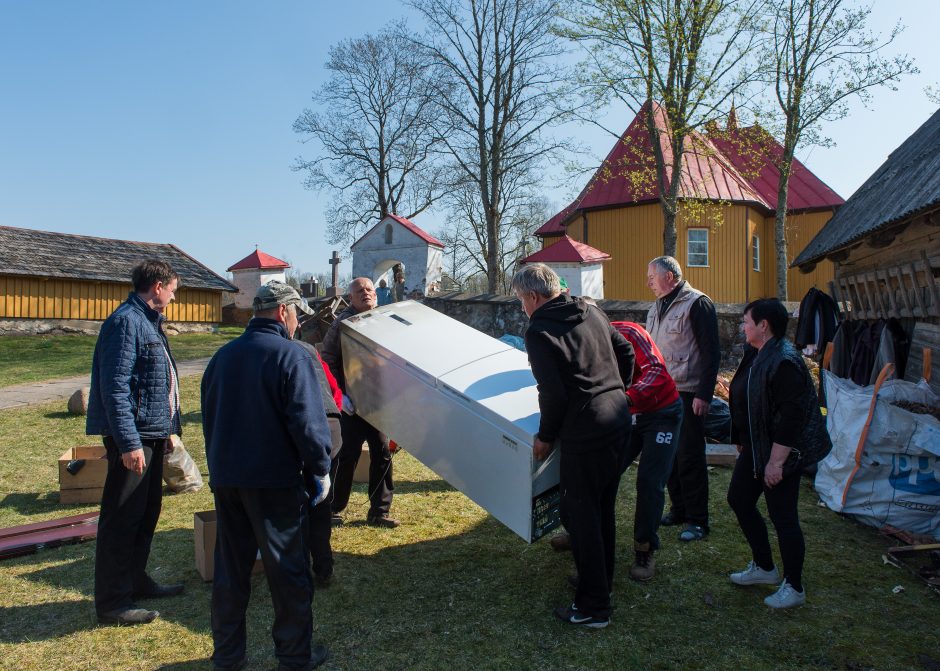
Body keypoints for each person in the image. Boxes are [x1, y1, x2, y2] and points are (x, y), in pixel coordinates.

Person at [202, 281, 332, 670]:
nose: (297, 323)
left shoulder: (221, 357)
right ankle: (294, 657)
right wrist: (321, 468)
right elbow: (308, 425)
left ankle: (227, 657)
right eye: (296, 315)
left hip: (227, 477)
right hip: (274, 480)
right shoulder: (292, 356)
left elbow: (210, 416)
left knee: (231, 569)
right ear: (282, 312)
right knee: (288, 571)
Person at [513, 263, 634, 629]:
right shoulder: (591, 311)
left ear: (533, 297)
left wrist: (546, 437)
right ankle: (599, 583)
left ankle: (594, 608)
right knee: (601, 509)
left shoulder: (540, 330)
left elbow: (552, 393)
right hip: (617, 418)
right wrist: (615, 390)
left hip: (587, 429)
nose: (521, 307)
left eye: (521, 300)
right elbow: (625, 351)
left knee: (580, 516)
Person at [86, 259, 184, 626]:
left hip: (151, 434)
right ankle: (113, 602)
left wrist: (167, 430)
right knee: (122, 519)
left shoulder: (147, 322)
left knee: (146, 513)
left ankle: (135, 580)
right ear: (157, 286)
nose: (174, 296)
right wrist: (128, 443)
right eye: (172, 288)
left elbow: (155, 383)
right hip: (134, 437)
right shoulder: (126, 322)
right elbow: (115, 388)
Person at [550, 318, 682, 583]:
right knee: (599, 477)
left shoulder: (629, 332)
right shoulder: (577, 344)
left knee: (649, 482)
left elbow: (656, 370)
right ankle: (583, 536)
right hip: (624, 415)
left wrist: (622, 399)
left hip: (660, 413)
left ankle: (644, 549)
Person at [726, 298, 831, 609]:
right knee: (740, 499)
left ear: (763, 325)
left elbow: (791, 418)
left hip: (780, 452)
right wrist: (742, 438)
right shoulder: (757, 353)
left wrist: (776, 462)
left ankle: (794, 585)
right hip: (757, 446)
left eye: (745, 321)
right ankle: (765, 568)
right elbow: (746, 399)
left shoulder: (784, 361)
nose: (741, 326)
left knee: (783, 516)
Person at [646, 256, 720, 542]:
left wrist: (704, 393)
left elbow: (711, 353)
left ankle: (698, 520)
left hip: (688, 392)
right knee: (669, 455)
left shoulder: (697, 303)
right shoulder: (657, 305)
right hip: (661, 391)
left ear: (669, 276)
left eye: (652, 275)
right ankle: (678, 509)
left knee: (690, 456)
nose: (648, 281)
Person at [321, 277, 398, 528]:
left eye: (369, 290)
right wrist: (339, 395)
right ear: (350, 298)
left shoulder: (384, 320)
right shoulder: (341, 324)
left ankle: (379, 511)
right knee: (346, 456)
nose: (365, 294)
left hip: (378, 402)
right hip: (351, 404)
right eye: (359, 291)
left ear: (376, 295)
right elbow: (327, 360)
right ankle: (333, 508)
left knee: (382, 454)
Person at [294, 338, 344, 587]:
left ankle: (302, 568)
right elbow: (333, 388)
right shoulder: (310, 351)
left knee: (299, 504)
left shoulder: (279, 355)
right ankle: (323, 566)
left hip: (305, 427)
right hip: (330, 428)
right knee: (321, 501)